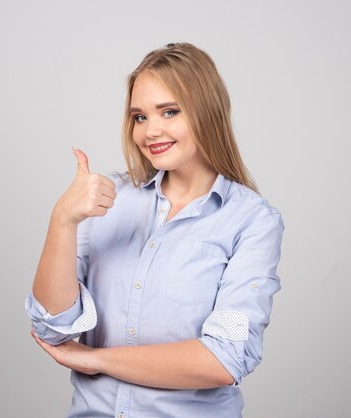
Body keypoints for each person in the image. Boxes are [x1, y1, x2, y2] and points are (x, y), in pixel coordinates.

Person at [26, 42, 284, 418]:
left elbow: (223, 359)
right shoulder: (107, 203)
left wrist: (98, 360)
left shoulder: (251, 221)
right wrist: (63, 220)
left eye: (169, 111)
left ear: (206, 112)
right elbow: (53, 327)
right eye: (140, 117)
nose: (150, 131)